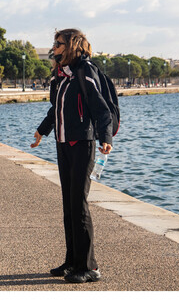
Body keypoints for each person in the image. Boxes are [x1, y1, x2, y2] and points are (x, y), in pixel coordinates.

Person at [30, 29, 113, 284]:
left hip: (83, 144)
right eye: (54, 43)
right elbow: (56, 108)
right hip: (63, 144)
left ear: (72, 45)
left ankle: (90, 267)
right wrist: (41, 131)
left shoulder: (85, 71)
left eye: (58, 43)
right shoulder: (60, 76)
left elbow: (101, 108)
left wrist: (105, 137)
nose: (53, 47)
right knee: (68, 204)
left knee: (79, 204)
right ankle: (72, 261)